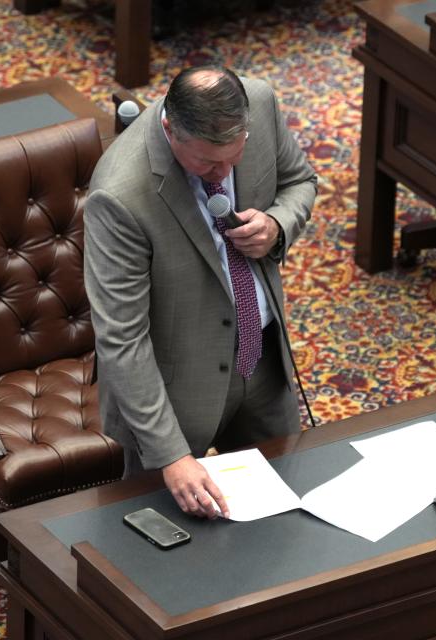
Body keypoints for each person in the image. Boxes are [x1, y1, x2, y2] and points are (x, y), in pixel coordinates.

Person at [84, 65, 317, 519]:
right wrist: (171, 455)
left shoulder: (262, 103)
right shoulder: (118, 195)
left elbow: (299, 182)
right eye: (209, 164)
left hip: (262, 363)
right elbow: (122, 339)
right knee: (164, 545)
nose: (224, 172)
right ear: (170, 128)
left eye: (235, 156)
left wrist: (277, 224)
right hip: (174, 391)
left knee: (286, 523)